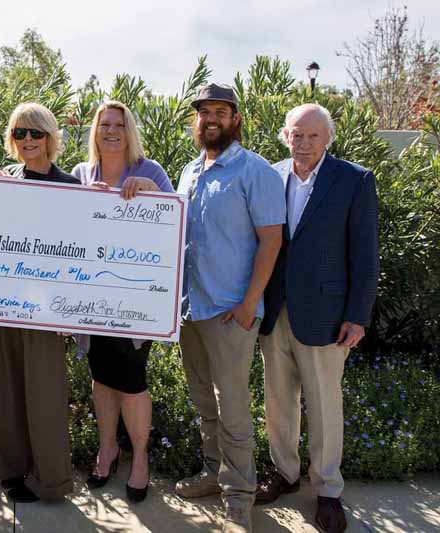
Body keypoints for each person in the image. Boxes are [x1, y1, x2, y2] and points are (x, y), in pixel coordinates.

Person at [255, 104, 379, 533]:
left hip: (326, 315)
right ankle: (285, 474)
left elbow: (365, 256)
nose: (303, 143)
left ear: (327, 138)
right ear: (285, 136)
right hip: (275, 310)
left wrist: (357, 316)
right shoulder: (270, 176)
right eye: (296, 134)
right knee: (277, 401)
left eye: (312, 136)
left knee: (325, 404)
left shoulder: (354, 180)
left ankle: (328, 490)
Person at [174, 83, 285, 533]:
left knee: (233, 407)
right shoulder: (189, 171)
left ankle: (239, 494)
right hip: (191, 310)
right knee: (204, 400)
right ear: (196, 120)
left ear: (236, 117)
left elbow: (271, 240)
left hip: (230, 313)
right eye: (204, 112)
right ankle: (212, 472)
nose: (212, 118)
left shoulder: (255, 171)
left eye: (221, 110)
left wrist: (248, 304)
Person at [71, 100, 172, 502]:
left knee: (131, 381)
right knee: (101, 377)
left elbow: (175, 223)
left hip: (136, 299)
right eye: (104, 124)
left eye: (119, 124)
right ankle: (108, 447)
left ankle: (141, 457)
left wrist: (149, 193)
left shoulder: (150, 171)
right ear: (95, 131)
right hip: (92, 297)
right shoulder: (81, 174)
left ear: (130, 131)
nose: (111, 130)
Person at [0, 102, 79, 503]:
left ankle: (53, 480)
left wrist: (74, 308)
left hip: (48, 307)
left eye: (35, 133)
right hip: (6, 301)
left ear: (50, 137)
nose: (27, 140)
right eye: (19, 133)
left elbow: (83, 249)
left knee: (45, 394)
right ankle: (12, 472)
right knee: (7, 388)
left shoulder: (69, 186)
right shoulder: (4, 180)